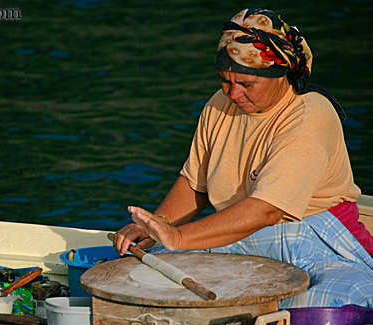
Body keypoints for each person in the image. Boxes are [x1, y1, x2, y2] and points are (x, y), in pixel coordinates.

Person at [112, 8, 373, 308]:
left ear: (280, 74)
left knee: (323, 310)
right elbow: (195, 184)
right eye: (225, 80)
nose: (233, 93)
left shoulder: (309, 116)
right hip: (245, 241)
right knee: (148, 276)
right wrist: (155, 226)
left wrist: (180, 238)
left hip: (316, 244)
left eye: (247, 84)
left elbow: (266, 212)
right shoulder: (218, 105)